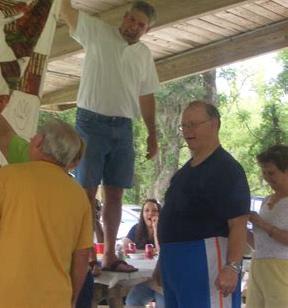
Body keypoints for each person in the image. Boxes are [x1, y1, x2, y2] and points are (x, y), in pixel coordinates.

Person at [0, 79, 94, 308]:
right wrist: (71, 300)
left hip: (3, 299)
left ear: (38, 141)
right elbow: (82, 256)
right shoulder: (79, 196)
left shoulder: (9, 176)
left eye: (34, 137)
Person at [60, 0, 159, 272]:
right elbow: (65, 9)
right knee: (86, 191)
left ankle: (110, 256)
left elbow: (147, 94)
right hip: (91, 122)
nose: (132, 26)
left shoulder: (143, 54)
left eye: (140, 24)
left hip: (124, 127)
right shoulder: (97, 32)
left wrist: (153, 134)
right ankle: (85, 252)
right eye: (130, 19)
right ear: (124, 16)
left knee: (115, 192)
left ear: (147, 30)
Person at [156, 101, 250, 308]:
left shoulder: (227, 169)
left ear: (213, 124)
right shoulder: (183, 173)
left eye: (193, 124)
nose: (187, 131)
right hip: (174, 261)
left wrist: (232, 267)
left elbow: (238, 223)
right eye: (184, 126)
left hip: (205, 258)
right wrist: (161, 262)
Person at [246, 145, 288, 308]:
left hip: (282, 268)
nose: (267, 178)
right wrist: (240, 226)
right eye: (264, 172)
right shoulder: (266, 200)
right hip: (258, 266)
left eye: (271, 173)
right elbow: (259, 243)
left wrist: (262, 224)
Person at [122, 199, 164, 307]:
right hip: (144, 280)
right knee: (131, 302)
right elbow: (125, 247)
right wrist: (149, 251)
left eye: (154, 210)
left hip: (161, 279)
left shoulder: (164, 229)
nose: (150, 213)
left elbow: (161, 251)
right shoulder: (136, 228)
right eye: (147, 210)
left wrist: (156, 229)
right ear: (142, 214)